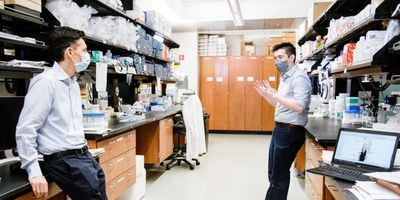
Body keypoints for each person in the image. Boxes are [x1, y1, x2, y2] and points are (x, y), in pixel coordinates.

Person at [16, 27, 107, 199]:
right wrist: (34, 171)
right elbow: (26, 129)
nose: (88, 55)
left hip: (83, 156)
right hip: (64, 161)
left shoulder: (72, 82)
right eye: (85, 50)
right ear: (70, 52)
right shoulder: (46, 82)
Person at [255, 42, 311, 200]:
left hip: (290, 131)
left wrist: (276, 95)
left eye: (280, 57)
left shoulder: (299, 77)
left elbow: (299, 107)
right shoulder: (286, 78)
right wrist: (266, 95)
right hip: (280, 129)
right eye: (275, 58)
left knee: (278, 176)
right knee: (273, 173)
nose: (276, 61)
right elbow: (280, 104)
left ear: (291, 57)